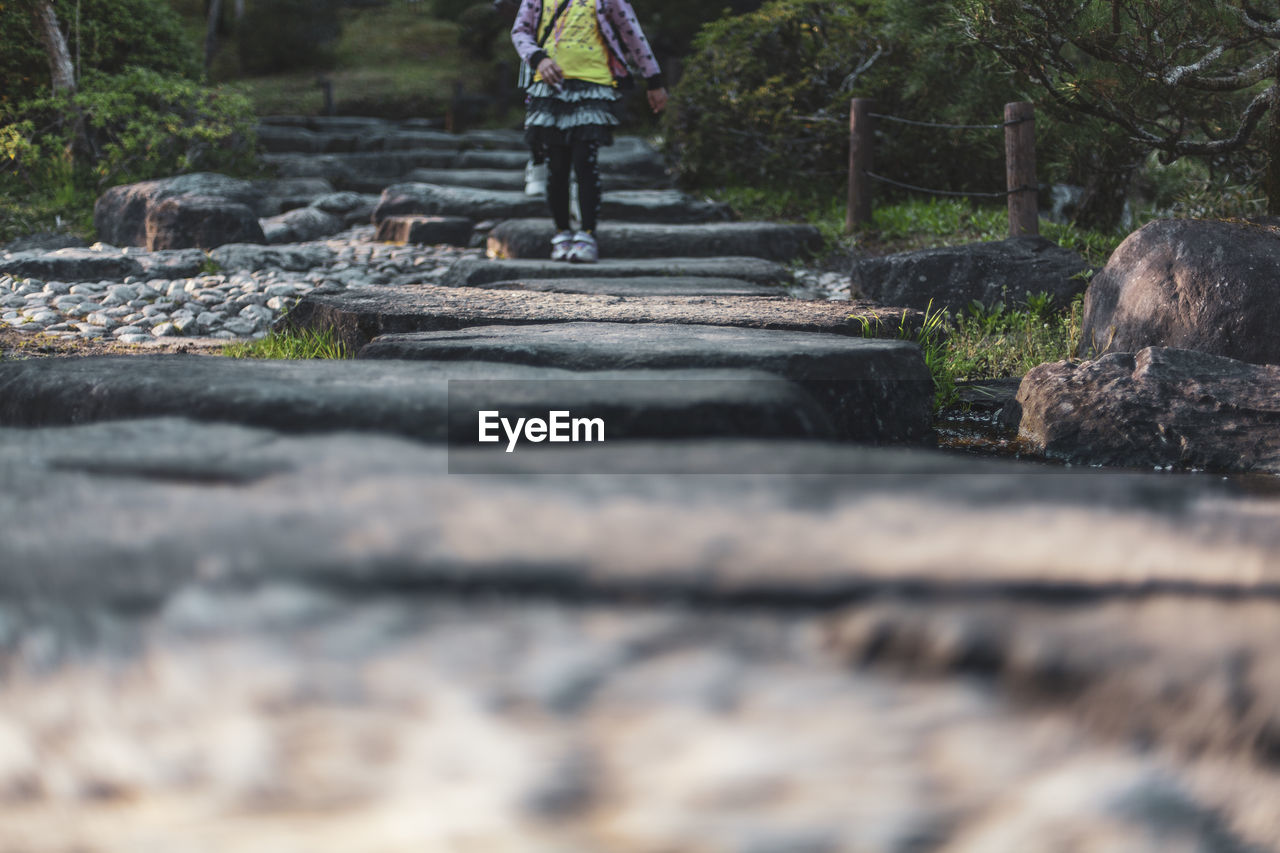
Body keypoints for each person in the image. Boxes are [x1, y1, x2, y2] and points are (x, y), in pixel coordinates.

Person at [511, 0, 668, 262]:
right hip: (549, 89)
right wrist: (538, 58)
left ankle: (587, 235)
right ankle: (561, 233)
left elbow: (632, 32)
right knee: (557, 165)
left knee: (585, 161)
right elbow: (520, 31)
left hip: (594, 84)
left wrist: (654, 80)